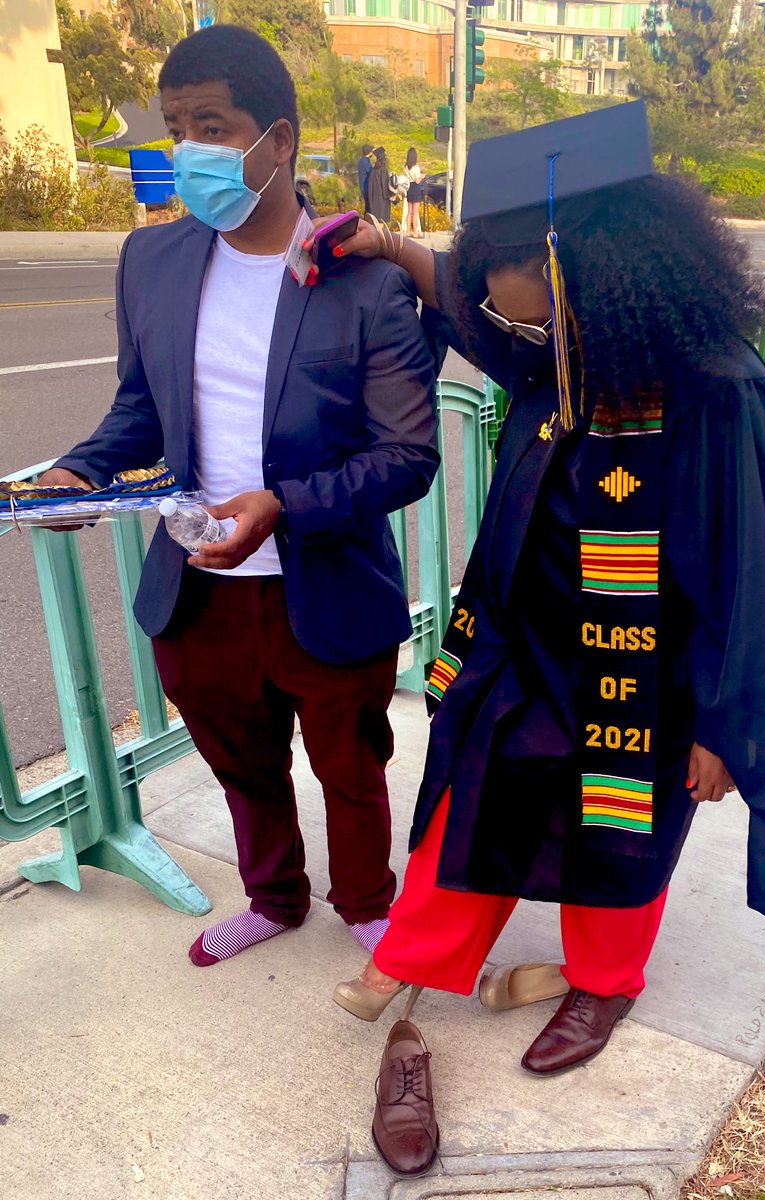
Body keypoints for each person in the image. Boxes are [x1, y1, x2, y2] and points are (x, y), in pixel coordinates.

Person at [328, 102, 765, 1177]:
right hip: (523, 649)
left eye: (498, 264)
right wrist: (393, 248)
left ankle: (605, 984)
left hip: (640, 681)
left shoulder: (711, 388)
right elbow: (474, 322)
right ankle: (413, 958)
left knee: (617, 835)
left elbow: (753, 572)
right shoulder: (572, 352)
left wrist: (727, 724)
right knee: (476, 795)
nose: (486, 288)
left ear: (571, 262)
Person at [39, 25, 440, 969]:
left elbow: (408, 454)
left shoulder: (364, 276)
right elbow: (139, 409)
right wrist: (79, 472)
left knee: (350, 764)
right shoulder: (154, 261)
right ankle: (274, 897)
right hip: (199, 584)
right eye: (176, 126)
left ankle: (368, 905)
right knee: (240, 760)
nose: (189, 151)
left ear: (279, 140)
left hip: (325, 580)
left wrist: (284, 503)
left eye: (211, 126)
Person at [402, 146, 425, 239]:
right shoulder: (416, 168)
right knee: (415, 212)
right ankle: (415, 231)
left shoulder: (406, 167)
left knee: (409, 211)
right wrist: (422, 176)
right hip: (415, 188)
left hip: (409, 188)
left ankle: (408, 231)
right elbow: (417, 181)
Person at [367, 146, 392, 226]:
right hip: (382, 200)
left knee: (376, 222)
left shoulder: (374, 170)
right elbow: (385, 186)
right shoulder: (383, 170)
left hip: (374, 199)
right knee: (381, 222)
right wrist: (391, 195)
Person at [358, 143, 374, 214]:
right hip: (366, 186)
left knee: (367, 207)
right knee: (368, 207)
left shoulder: (361, 160)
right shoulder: (365, 161)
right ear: (369, 152)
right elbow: (370, 171)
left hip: (363, 186)